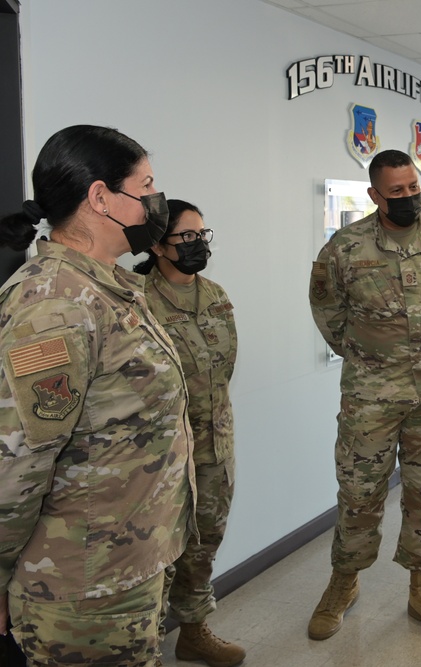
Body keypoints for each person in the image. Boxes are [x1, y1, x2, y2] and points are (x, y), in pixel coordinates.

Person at [0, 125, 195, 666]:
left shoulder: (106, 286)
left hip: (127, 560)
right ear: (101, 197)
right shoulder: (53, 303)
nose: (156, 201)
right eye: (147, 186)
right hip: (83, 584)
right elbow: (18, 460)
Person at [308, 149, 421, 643]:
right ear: (374, 195)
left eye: (413, 188)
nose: (408, 197)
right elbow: (328, 312)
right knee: (360, 493)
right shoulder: (345, 248)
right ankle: (344, 582)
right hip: (371, 396)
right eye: (397, 192)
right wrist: (370, 358)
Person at [134, 200, 244, 667]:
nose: (198, 244)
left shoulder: (215, 295)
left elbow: (224, 369)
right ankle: (146, 647)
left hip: (215, 446)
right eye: (186, 237)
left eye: (203, 235)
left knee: (204, 542)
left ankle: (194, 631)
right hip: (159, 455)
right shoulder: (137, 299)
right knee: (155, 552)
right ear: (158, 244)